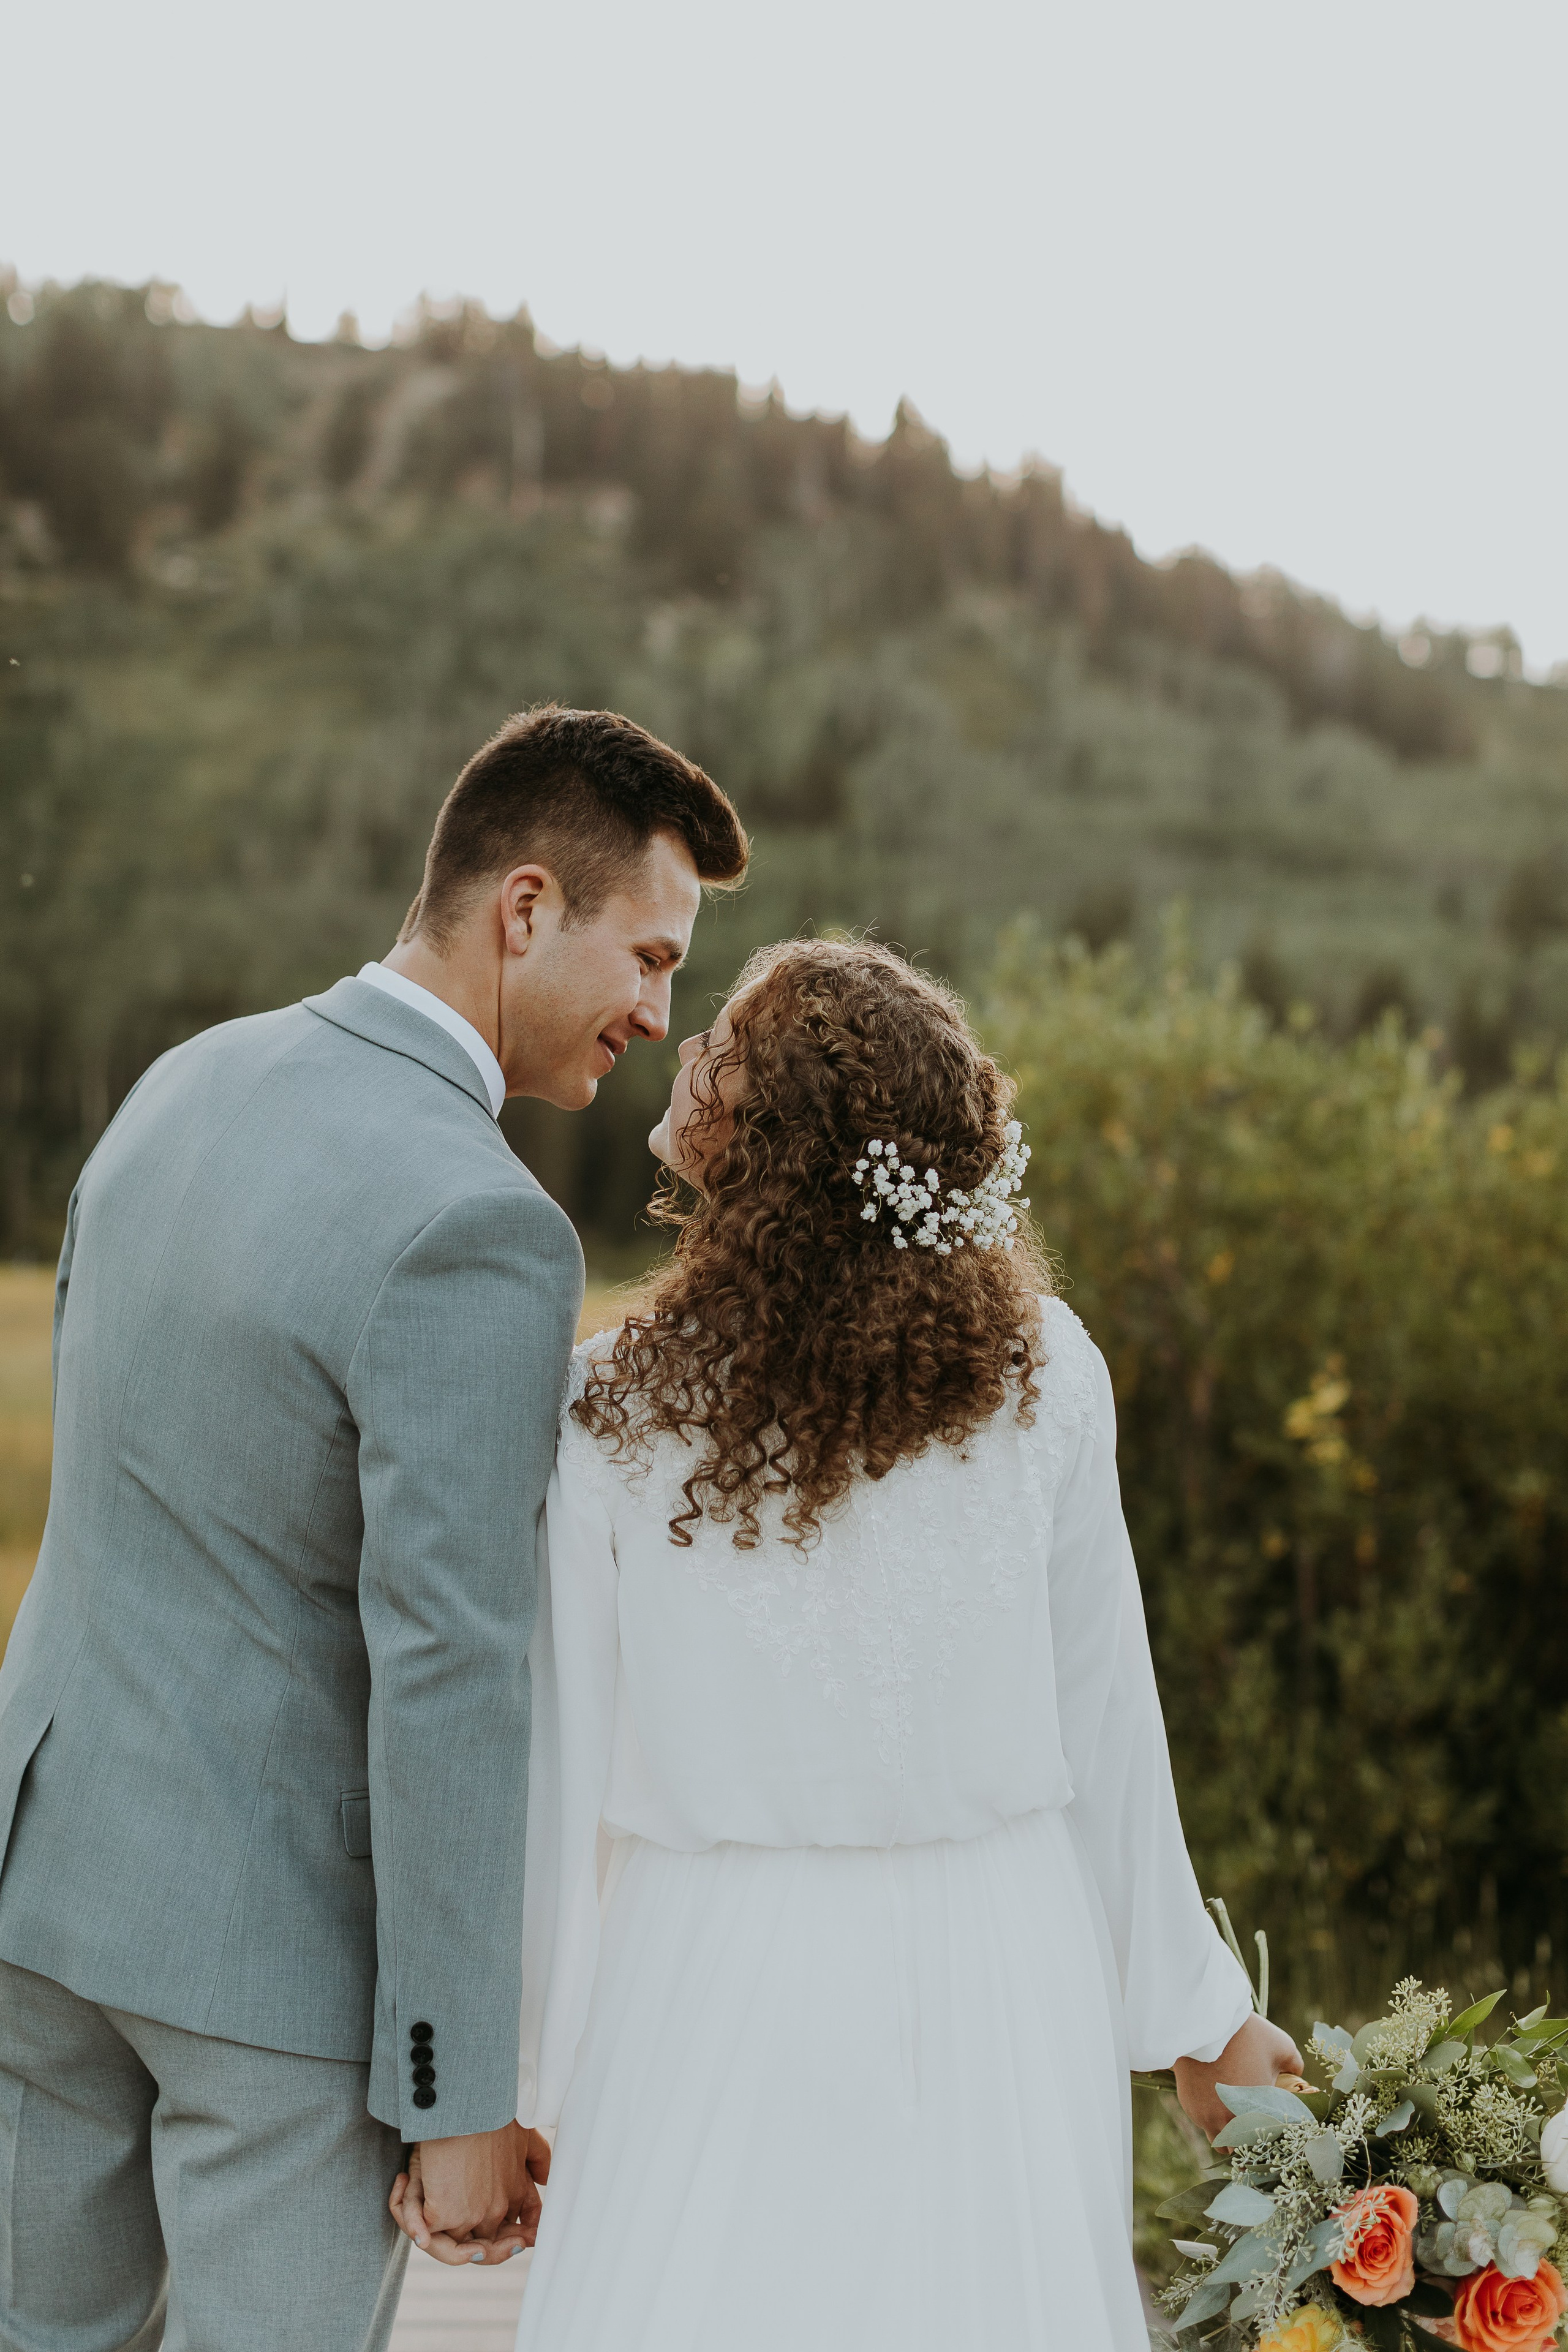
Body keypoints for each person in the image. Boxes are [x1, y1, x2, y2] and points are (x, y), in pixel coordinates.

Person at [398, 937, 1301, 2348]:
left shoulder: (610, 1407)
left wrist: (506, 2090)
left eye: (721, 1046)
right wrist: (1196, 2024)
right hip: (1000, 1950)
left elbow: (547, 1771)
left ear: (775, 1139)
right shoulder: (1046, 1376)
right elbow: (1109, 1731)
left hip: (715, 1963)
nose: (684, 1051)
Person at [0, 706, 747, 2352]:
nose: (656, 1014)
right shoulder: (481, 1224)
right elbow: (448, 1670)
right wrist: (455, 2093)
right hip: (268, 1974)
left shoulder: (184, 1081)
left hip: (40, 1893)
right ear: (526, 908)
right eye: (648, 956)